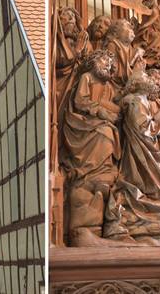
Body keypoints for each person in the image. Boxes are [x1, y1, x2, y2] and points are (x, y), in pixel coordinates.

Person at [104, 70, 160, 240]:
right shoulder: (136, 100)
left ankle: (158, 216)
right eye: (145, 77)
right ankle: (145, 216)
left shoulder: (143, 100)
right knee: (156, 182)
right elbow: (144, 128)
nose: (149, 79)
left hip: (149, 149)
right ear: (135, 84)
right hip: (143, 151)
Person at [61, 49, 121, 237]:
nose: (106, 64)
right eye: (103, 59)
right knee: (105, 133)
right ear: (94, 61)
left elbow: (114, 105)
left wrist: (112, 112)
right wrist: (99, 111)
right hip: (82, 120)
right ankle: (90, 169)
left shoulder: (109, 86)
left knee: (109, 132)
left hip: (99, 122)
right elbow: (80, 101)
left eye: (109, 62)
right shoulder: (87, 77)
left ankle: (103, 169)